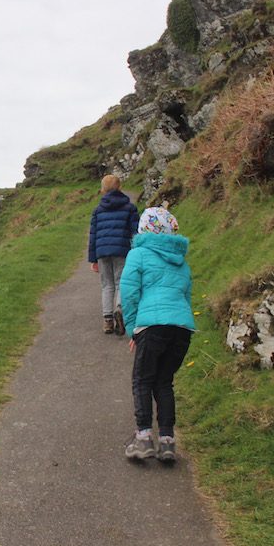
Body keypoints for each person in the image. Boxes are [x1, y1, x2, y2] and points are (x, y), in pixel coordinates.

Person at [119, 206, 195, 462]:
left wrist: (133, 330)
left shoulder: (138, 254)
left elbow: (129, 295)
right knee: (164, 382)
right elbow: (186, 295)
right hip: (181, 329)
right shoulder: (181, 261)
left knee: (142, 380)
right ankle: (167, 442)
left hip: (152, 327)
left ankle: (143, 439)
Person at [88, 174, 139, 334]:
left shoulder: (98, 210)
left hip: (102, 252)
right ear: (120, 187)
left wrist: (93, 259)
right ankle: (119, 308)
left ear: (103, 190)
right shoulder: (129, 208)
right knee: (120, 283)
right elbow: (135, 231)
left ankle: (108, 321)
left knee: (106, 285)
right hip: (122, 250)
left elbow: (93, 235)